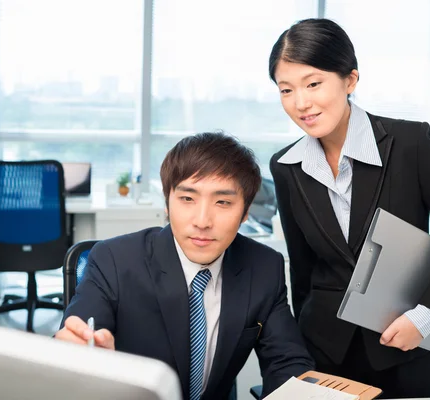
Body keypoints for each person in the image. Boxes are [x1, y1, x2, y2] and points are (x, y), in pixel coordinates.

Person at [268, 18, 430, 398]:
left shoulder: (410, 144)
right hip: (325, 350)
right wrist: (299, 349)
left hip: (406, 344)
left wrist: (425, 317)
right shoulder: (286, 166)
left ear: (350, 80)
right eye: (285, 90)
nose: (300, 103)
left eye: (313, 83)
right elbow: (303, 270)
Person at [55, 132, 315, 399]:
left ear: (246, 211)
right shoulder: (113, 259)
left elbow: (286, 362)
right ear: (167, 202)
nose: (202, 221)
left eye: (223, 202)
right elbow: (78, 338)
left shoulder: (263, 267)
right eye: (187, 199)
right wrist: (78, 351)